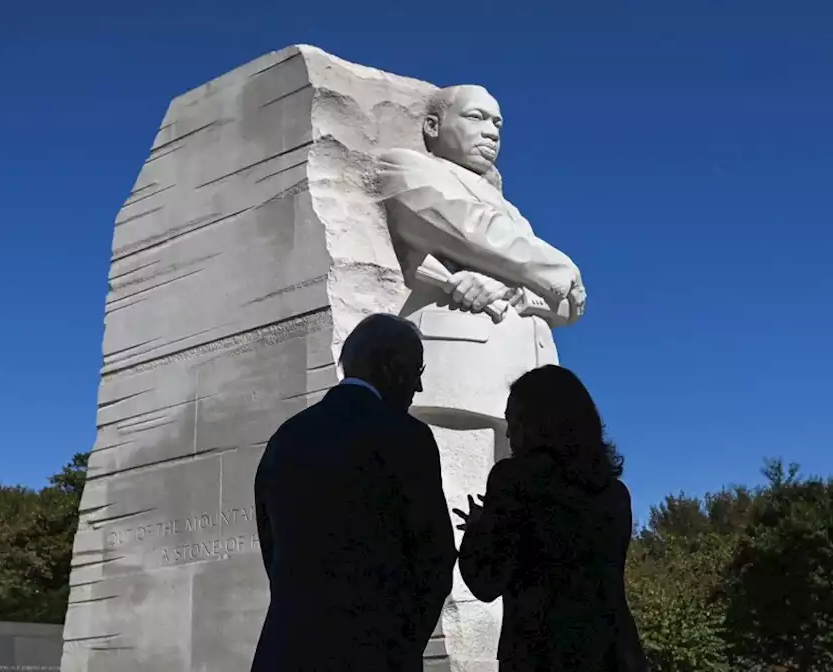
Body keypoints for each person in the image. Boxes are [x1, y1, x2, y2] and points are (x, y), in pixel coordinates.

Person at [376, 84, 587, 448]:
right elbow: (472, 230)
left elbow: (572, 305)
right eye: (476, 118)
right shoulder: (407, 166)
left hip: (534, 375)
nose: (491, 132)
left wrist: (514, 289)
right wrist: (563, 268)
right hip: (462, 365)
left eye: (498, 124)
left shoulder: (514, 213)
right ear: (431, 126)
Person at [251, 313, 456, 672]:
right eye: (417, 372)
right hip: (374, 652)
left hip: (286, 651)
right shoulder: (407, 437)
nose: (418, 389)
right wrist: (402, 647)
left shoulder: (286, 437)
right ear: (392, 367)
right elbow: (434, 558)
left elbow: (273, 549)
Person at [453, 365, 650, 672]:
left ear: (536, 424)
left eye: (514, 420)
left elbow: (486, 582)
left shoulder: (514, 480)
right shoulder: (615, 494)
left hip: (539, 656)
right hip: (613, 655)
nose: (508, 432)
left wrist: (479, 529)